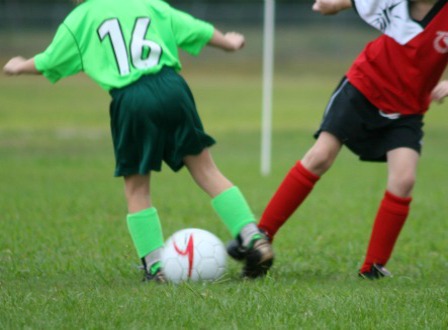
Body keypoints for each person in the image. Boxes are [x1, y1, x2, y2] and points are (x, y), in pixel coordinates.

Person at [3, 0, 274, 282]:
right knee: (207, 170)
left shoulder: (82, 17)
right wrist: (228, 43)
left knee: (137, 189)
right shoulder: (149, 4)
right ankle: (253, 238)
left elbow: (50, 60)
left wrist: (20, 65)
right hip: (173, 87)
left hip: (131, 98)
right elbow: (195, 29)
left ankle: (156, 268)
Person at [228, 0, 448, 279]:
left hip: (407, 109)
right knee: (320, 156)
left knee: (404, 180)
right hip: (363, 88)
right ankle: (261, 236)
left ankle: (373, 267)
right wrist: (334, 5)